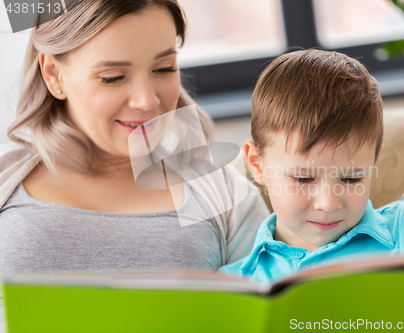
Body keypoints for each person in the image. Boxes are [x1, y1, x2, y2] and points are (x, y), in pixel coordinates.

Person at [0, 0, 269, 279]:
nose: (146, 101)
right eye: (113, 77)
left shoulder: (226, 193)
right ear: (54, 75)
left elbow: (273, 310)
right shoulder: (6, 178)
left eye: (164, 68)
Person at [219, 49, 404, 285]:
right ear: (256, 164)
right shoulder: (231, 285)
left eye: (351, 179)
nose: (328, 204)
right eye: (303, 179)